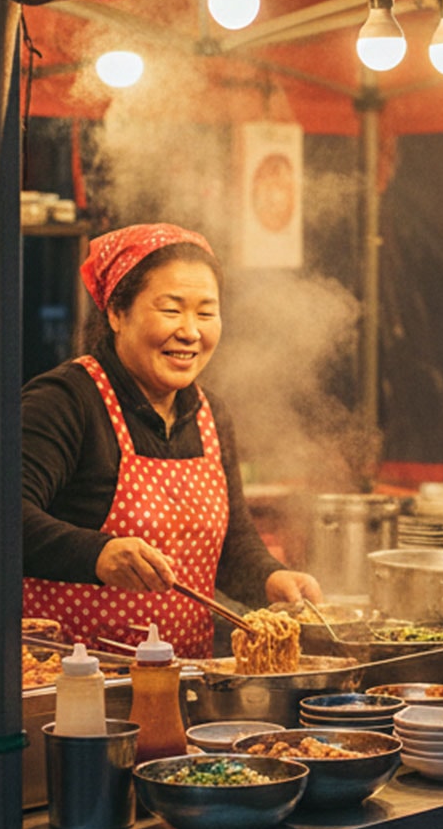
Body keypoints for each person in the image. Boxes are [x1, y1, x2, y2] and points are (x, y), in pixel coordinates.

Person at [22, 223, 322, 657]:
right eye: (171, 310)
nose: (190, 331)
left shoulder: (208, 413)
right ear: (116, 313)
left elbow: (231, 545)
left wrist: (271, 579)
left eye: (205, 313)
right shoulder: (66, 401)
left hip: (184, 681)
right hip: (68, 683)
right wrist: (97, 555)